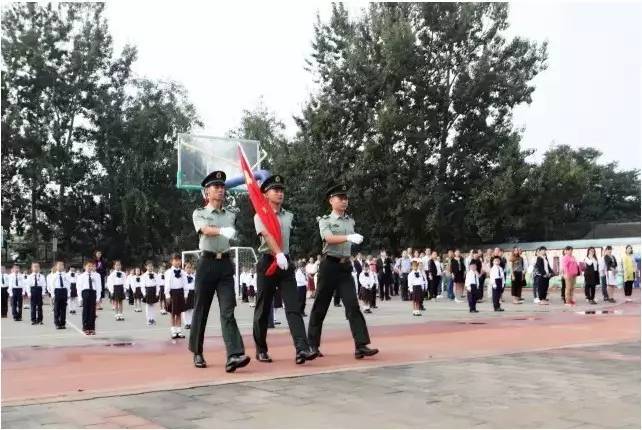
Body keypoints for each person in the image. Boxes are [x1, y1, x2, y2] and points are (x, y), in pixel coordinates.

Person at [252, 175, 317, 365]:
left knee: (293, 307)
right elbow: (266, 235)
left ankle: (302, 349)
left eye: (281, 190)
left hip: (285, 263)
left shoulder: (289, 216)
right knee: (263, 308)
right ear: (265, 194)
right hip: (268, 262)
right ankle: (261, 349)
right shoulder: (260, 215)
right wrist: (277, 253)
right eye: (275, 190)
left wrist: (283, 256)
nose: (280, 193)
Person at [308, 183, 378, 359]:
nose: (344, 201)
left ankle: (361, 345)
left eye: (346, 198)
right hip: (329, 265)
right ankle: (312, 345)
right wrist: (347, 237)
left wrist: (352, 238)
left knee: (352, 305)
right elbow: (328, 238)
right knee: (320, 306)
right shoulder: (325, 220)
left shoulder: (350, 220)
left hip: (345, 266)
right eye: (341, 198)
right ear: (331, 200)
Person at [189, 170, 249, 372]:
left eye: (222, 186)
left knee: (228, 310)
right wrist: (221, 231)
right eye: (216, 187)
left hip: (224, 264)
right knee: (201, 309)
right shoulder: (199, 213)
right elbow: (204, 229)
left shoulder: (231, 215)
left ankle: (234, 354)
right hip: (206, 264)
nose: (221, 190)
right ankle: (197, 351)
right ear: (207, 192)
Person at [165, 254, 187, 339]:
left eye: (179, 260)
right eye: (175, 260)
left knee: (179, 313)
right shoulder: (168, 272)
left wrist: (185, 294)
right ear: (171, 261)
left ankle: (179, 330)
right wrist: (167, 295)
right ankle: (173, 330)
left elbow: (185, 283)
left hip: (180, 292)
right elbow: (167, 284)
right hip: (172, 293)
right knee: (172, 313)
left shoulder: (182, 272)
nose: (178, 262)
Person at [77, 260, 101, 335]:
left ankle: (92, 328)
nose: (90, 267)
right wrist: (80, 298)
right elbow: (79, 287)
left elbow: (99, 286)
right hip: (85, 292)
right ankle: (85, 327)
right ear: (85, 267)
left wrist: (98, 298)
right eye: (88, 266)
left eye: (91, 266)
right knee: (86, 311)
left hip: (93, 292)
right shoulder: (81, 276)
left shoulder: (96, 275)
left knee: (92, 311)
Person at [47, 260, 69, 329]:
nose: (60, 266)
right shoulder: (54, 275)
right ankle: (57, 323)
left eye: (62, 265)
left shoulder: (65, 275)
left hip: (64, 291)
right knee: (57, 308)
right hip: (57, 291)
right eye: (59, 265)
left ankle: (63, 323)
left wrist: (68, 293)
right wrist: (53, 295)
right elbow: (52, 286)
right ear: (56, 267)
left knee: (63, 308)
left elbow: (68, 284)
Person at [142, 261, 159, 326]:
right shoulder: (144, 276)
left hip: (154, 290)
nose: (150, 267)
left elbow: (158, 284)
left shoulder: (155, 275)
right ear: (146, 267)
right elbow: (142, 286)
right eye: (149, 266)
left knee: (153, 306)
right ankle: (149, 319)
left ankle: (153, 319)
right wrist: (144, 293)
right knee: (148, 306)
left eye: (151, 266)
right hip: (148, 291)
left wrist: (157, 292)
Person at [182, 262, 195, 329]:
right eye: (187, 267)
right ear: (184, 269)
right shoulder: (183, 277)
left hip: (192, 293)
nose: (189, 269)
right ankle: (186, 323)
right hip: (185, 294)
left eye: (190, 267)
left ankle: (191, 323)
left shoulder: (193, 277)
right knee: (185, 309)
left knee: (191, 309)